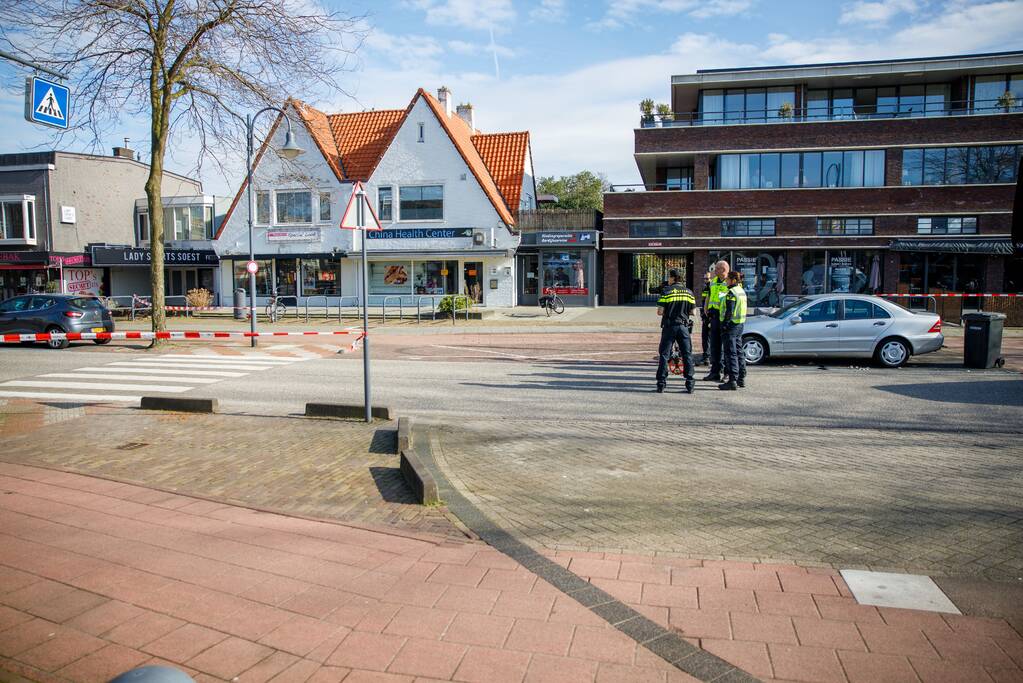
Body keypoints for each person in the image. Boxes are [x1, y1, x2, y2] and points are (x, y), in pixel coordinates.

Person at [655, 268, 696, 394]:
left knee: (664, 354)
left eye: (669, 277)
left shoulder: (666, 292)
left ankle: (661, 383)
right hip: (683, 327)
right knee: (687, 354)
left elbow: (660, 312)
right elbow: (693, 312)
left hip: (669, 326)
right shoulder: (689, 293)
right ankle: (690, 383)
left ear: (672, 278)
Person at [718, 270, 748, 391]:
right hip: (740, 325)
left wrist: (724, 325)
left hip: (731, 326)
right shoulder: (741, 291)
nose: (726, 281)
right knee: (739, 351)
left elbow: (729, 311)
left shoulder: (731, 292)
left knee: (731, 353)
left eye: (728, 279)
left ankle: (732, 380)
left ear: (733, 280)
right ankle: (741, 378)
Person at [701, 260, 730, 382]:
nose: (714, 271)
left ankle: (726, 373)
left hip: (724, 318)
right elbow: (708, 296)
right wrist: (705, 309)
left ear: (723, 269)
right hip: (713, 317)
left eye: (716, 269)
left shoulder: (730, 282)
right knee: (714, 346)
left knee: (726, 347)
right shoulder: (713, 282)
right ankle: (715, 372)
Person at [697, 271, 712, 365]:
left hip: (710, 316)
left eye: (707, 278)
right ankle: (706, 357)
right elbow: (704, 302)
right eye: (704, 279)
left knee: (708, 338)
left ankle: (708, 357)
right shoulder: (706, 288)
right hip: (705, 316)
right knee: (705, 337)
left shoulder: (711, 287)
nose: (705, 280)